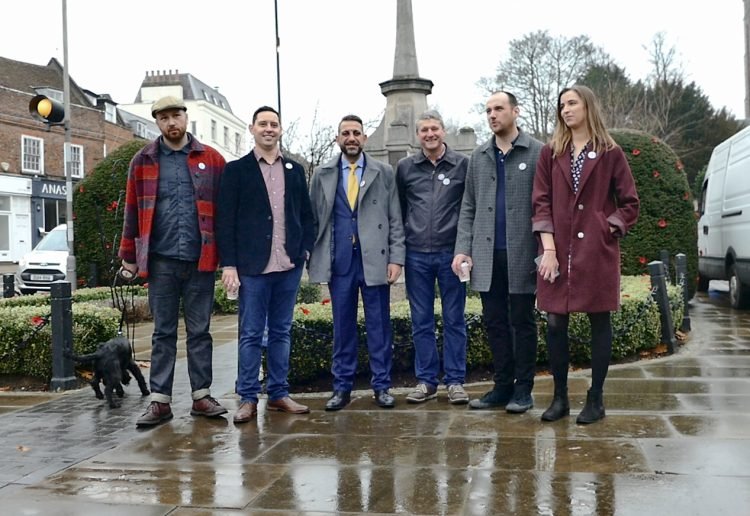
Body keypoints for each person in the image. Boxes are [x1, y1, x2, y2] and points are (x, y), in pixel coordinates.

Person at [532, 85, 639, 424]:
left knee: (599, 321)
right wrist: (548, 249)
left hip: (596, 252)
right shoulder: (551, 153)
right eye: (562, 105)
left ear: (587, 106)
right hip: (556, 251)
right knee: (554, 322)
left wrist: (607, 227)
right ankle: (560, 397)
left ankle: (596, 399)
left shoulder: (610, 152)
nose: (565, 109)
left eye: (572, 103)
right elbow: (541, 203)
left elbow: (630, 203)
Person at [120, 96, 228, 428]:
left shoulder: (212, 159)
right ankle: (160, 401)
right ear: (157, 122)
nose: (171, 122)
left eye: (176, 115)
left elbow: (226, 211)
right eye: (164, 117)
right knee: (163, 333)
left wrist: (230, 259)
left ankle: (202, 396)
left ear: (185, 116)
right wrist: (128, 258)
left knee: (200, 331)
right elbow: (132, 210)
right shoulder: (143, 160)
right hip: (161, 262)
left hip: (200, 260)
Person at [216, 106, 314, 424]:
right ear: (252, 128)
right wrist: (229, 264)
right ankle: (247, 397)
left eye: (274, 124)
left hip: (288, 265)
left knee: (282, 331)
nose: (269, 128)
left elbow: (306, 214)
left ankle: (278, 394)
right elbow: (225, 220)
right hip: (252, 267)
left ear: (280, 129)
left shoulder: (295, 170)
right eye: (263, 124)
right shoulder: (236, 170)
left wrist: (305, 250)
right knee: (251, 333)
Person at [452, 91, 543, 413]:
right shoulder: (479, 156)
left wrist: (547, 250)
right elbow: (468, 206)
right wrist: (463, 249)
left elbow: (546, 206)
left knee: (522, 321)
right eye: (488, 110)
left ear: (515, 111)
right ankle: (502, 387)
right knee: (494, 322)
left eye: (499, 108)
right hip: (486, 255)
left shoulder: (538, 152)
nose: (492, 115)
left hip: (523, 253)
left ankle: (524, 389)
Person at [308, 114, 405, 411]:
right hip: (339, 261)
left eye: (356, 133)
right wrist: (314, 255)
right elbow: (313, 219)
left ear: (364, 138)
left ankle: (382, 386)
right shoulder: (322, 174)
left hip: (375, 259)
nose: (351, 138)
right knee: (342, 327)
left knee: (379, 326)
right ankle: (341, 388)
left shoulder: (383, 172)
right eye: (346, 133)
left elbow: (395, 218)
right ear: (338, 138)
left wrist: (396, 258)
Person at [396, 110, 470, 405]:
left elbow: (468, 209)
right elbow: (400, 209)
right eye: (424, 130)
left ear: (443, 131)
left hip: (451, 255)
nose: (430, 134)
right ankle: (426, 381)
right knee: (421, 321)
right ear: (418, 135)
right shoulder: (405, 168)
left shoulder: (462, 165)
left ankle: (455, 381)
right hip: (416, 255)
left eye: (434, 128)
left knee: (454, 319)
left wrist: (464, 249)